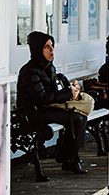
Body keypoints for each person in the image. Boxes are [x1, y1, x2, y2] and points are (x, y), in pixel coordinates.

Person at [16, 31, 89, 174]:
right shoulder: (30, 71)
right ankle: (68, 157)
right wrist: (67, 93)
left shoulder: (49, 67)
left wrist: (70, 92)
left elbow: (53, 93)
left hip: (47, 108)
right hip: (33, 111)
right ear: (37, 49)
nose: (51, 50)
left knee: (80, 116)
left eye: (52, 46)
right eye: (47, 47)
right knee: (76, 118)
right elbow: (42, 97)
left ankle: (68, 156)